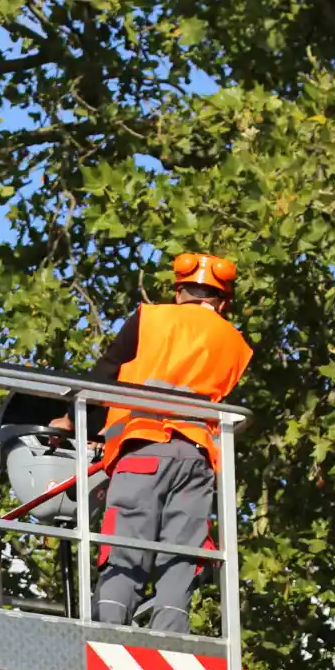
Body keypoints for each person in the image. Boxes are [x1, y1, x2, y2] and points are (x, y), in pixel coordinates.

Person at [52, 253, 253, 633]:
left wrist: (71, 422)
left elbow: (105, 379)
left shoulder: (150, 318)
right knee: (184, 549)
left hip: (143, 447)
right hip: (196, 459)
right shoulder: (235, 343)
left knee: (126, 538)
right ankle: (171, 632)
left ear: (179, 293)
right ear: (223, 302)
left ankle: (109, 628)